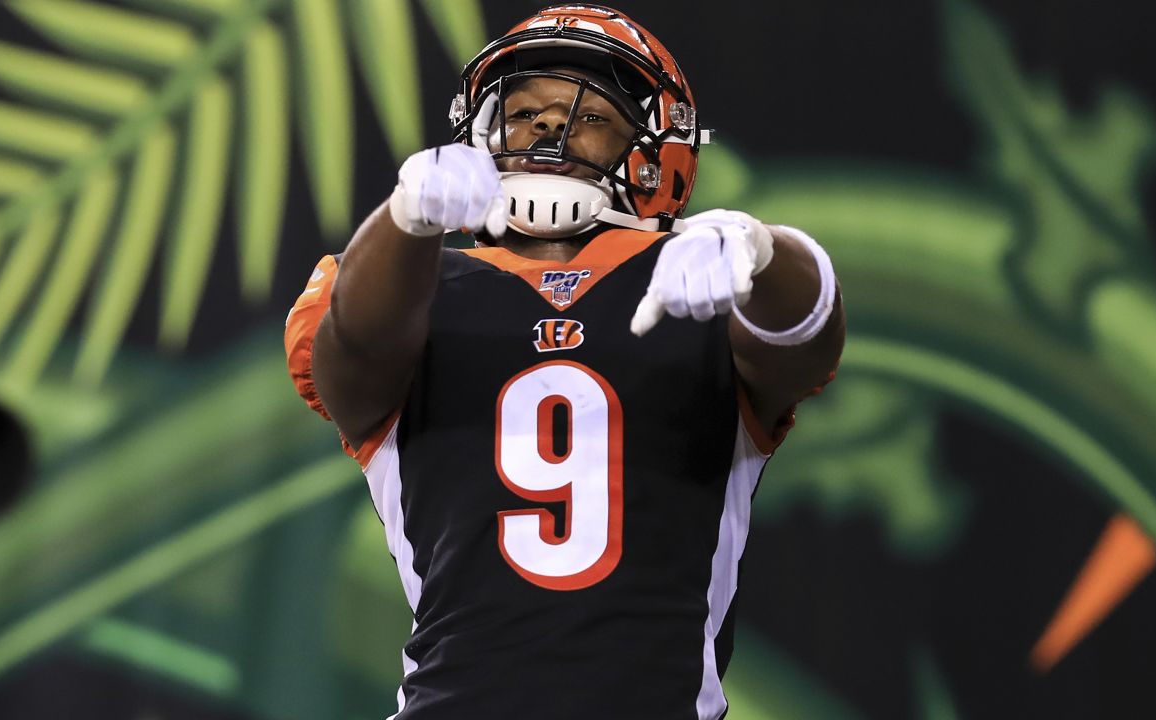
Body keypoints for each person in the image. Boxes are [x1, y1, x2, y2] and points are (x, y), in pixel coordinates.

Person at [284, 5, 844, 718]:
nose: (549, 127)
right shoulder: (407, 286)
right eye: (523, 113)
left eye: (588, 115)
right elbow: (351, 358)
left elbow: (809, 336)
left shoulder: (702, 275)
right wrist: (403, 218)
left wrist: (764, 250)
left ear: (653, 149)